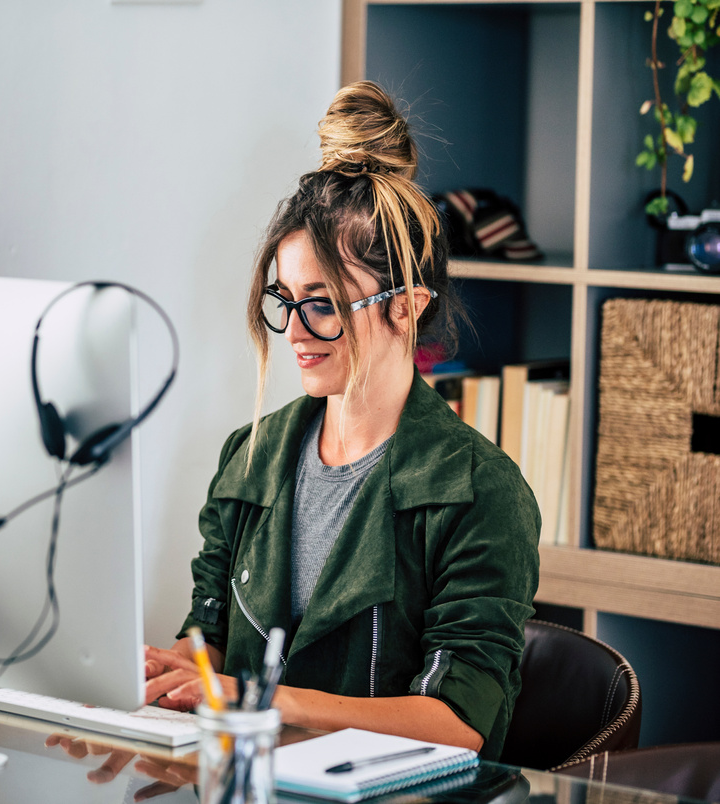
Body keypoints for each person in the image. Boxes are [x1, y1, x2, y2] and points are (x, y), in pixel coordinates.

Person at [143, 81, 540, 761]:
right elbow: (207, 641)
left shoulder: (481, 492)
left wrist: (265, 700)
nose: (295, 332)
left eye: (322, 304)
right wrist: (160, 670)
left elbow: (460, 721)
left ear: (407, 305)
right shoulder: (251, 457)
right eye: (284, 300)